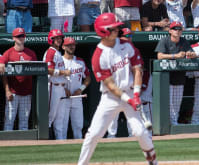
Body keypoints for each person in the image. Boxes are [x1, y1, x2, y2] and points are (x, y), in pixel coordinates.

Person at [77, 12, 157, 165]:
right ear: (103, 31)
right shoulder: (98, 55)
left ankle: (154, 162)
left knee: (140, 132)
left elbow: (137, 70)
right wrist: (129, 99)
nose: (117, 30)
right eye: (113, 28)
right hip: (110, 98)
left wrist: (136, 93)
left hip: (130, 92)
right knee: (94, 134)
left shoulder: (126, 45)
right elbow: (110, 85)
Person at [154, 21, 197, 125]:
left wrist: (191, 54)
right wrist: (175, 56)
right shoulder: (165, 40)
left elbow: (193, 53)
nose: (177, 31)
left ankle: (174, 122)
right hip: (166, 77)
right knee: (167, 103)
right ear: (170, 31)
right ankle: (166, 123)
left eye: (179, 29)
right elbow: (159, 56)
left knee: (176, 103)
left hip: (179, 77)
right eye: (175, 29)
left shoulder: (184, 41)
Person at [0, 28, 37, 130]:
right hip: (13, 92)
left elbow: (38, 70)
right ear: (13, 38)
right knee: (9, 120)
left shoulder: (31, 53)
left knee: (24, 121)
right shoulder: (8, 53)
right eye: (18, 36)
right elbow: (3, 72)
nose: (20, 38)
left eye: (22, 36)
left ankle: (23, 144)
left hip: (27, 92)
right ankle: (8, 144)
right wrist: (7, 90)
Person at [58, 37, 90, 139]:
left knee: (78, 127)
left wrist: (81, 89)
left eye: (73, 45)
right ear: (63, 47)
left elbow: (88, 78)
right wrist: (63, 89)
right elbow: (53, 78)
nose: (71, 47)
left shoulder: (80, 61)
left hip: (77, 98)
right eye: (69, 45)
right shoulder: (59, 61)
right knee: (62, 127)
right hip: (63, 98)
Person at [44, 28, 71, 139]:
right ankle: (46, 141)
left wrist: (64, 86)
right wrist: (63, 72)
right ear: (51, 39)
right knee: (50, 117)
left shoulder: (57, 52)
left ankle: (60, 142)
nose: (59, 40)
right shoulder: (50, 52)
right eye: (56, 38)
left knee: (60, 118)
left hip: (60, 87)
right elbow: (48, 70)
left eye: (60, 38)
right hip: (52, 86)